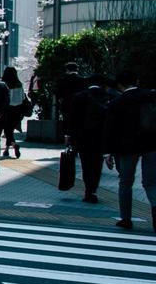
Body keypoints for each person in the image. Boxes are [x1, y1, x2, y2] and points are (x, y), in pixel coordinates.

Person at [105, 70, 156, 231]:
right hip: (152, 145)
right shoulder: (151, 96)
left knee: (125, 182)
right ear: (137, 81)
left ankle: (125, 218)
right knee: (151, 182)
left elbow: (110, 130)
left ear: (119, 85)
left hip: (127, 148)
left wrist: (108, 152)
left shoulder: (116, 103)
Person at [66, 74, 118, 204]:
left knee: (86, 164)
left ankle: (88, 190)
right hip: (101, 136)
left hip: (83, 137)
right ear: (102, 84)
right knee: (97, 164)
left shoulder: (79, 96)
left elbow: (72, 118)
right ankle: (93, 189)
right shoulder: (107, 97)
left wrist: (69, 135)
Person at [56, 62, 86, 142]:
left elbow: (58, 93)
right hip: (80, 105)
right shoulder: (82, 79)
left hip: (66, 105)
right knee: (78, 122)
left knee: (67, 122)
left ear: (67, 70)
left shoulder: (63, 80)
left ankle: (67, 139)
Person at [2, 66, 27, 159]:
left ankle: (14, 144)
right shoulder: (19, 84)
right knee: (10, 130)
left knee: (7, 130)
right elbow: (23, 98)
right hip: (18, 110)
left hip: (8, 109)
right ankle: (6, 149)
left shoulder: (5, 84)